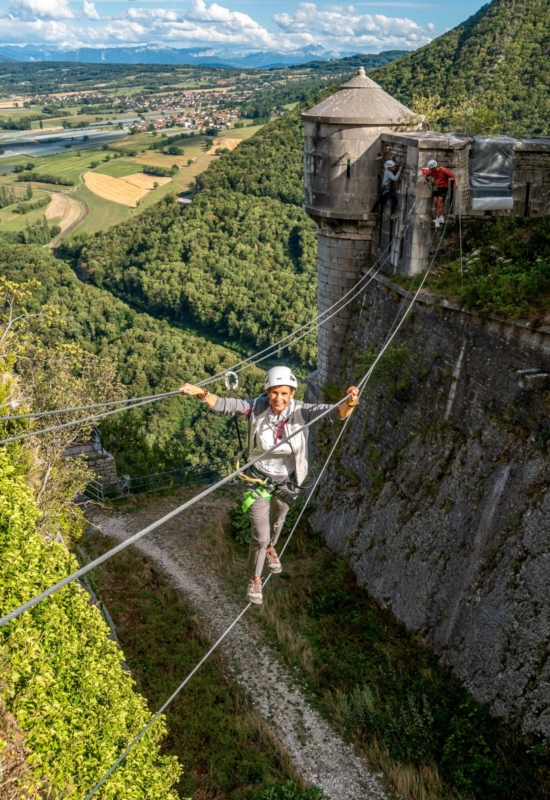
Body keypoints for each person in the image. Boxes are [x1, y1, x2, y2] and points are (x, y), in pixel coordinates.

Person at [180, 367, 359, 605]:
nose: (279, 398)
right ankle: (255, 577)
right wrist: (200, 393)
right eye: (274, 393)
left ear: (292, 393)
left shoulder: (302, 411)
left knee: (278, 521)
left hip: (288, 481)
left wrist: (351, 402)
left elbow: (336, 413)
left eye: (284, 393)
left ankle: (272, 548)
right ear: (267, 392)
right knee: (260, 537)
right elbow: (226, 405)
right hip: (257, 480)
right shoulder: (257, 407)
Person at [424, 159, 459, 227]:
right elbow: (426, 174)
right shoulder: (431, 171)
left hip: (443, 188)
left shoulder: (443, 170)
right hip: (436, 187)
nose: (430, 170)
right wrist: (424, 179)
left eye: (431, 169)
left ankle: (437, 219)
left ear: (434, 167)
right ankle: (441, 217)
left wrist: (456, 184)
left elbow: (454, 176)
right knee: (436, 203)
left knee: (439, 204)